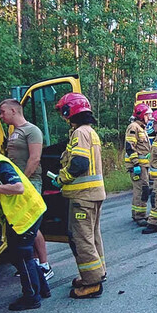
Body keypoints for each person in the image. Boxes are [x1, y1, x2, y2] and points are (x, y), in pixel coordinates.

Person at [0, 126, 51, 310]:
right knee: (21, 253)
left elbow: (18, 187)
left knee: (21, 255)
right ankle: (43, 288)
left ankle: (32, 297)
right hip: (25, 213)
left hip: (26, 214)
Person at [54, 92, 107, 299]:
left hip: (83, 197)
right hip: (93, 194)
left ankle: (92, 282)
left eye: (64, 112)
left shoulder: (79, 134)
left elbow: (79, 163)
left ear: (71, 110)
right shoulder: (90, 132)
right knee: (93, 236)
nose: (63, 116)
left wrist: (62, 178)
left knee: (82, 239)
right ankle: (96, 272)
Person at [0, 99, 53, 280]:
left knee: (32, 224)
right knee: (24, 224)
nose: (1, 115)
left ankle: (45, 266)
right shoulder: (14, 133)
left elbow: (35, 158)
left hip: (30, 183)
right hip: (18, 186)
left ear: (14, 110)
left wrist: (24, 182)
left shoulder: (32, 130)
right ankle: (33, 264)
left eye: (3, 112)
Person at [125, 103, 154, 226]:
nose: (150, 118)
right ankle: (139, 216)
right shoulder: (133, 127)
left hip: (143, 166)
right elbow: (129, 147)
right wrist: (136, 163)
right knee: (141, 190)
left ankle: (138, 214)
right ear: (142, 115)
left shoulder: (141, 128)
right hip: (137, 166)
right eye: (148, 115)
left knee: (143, 189)